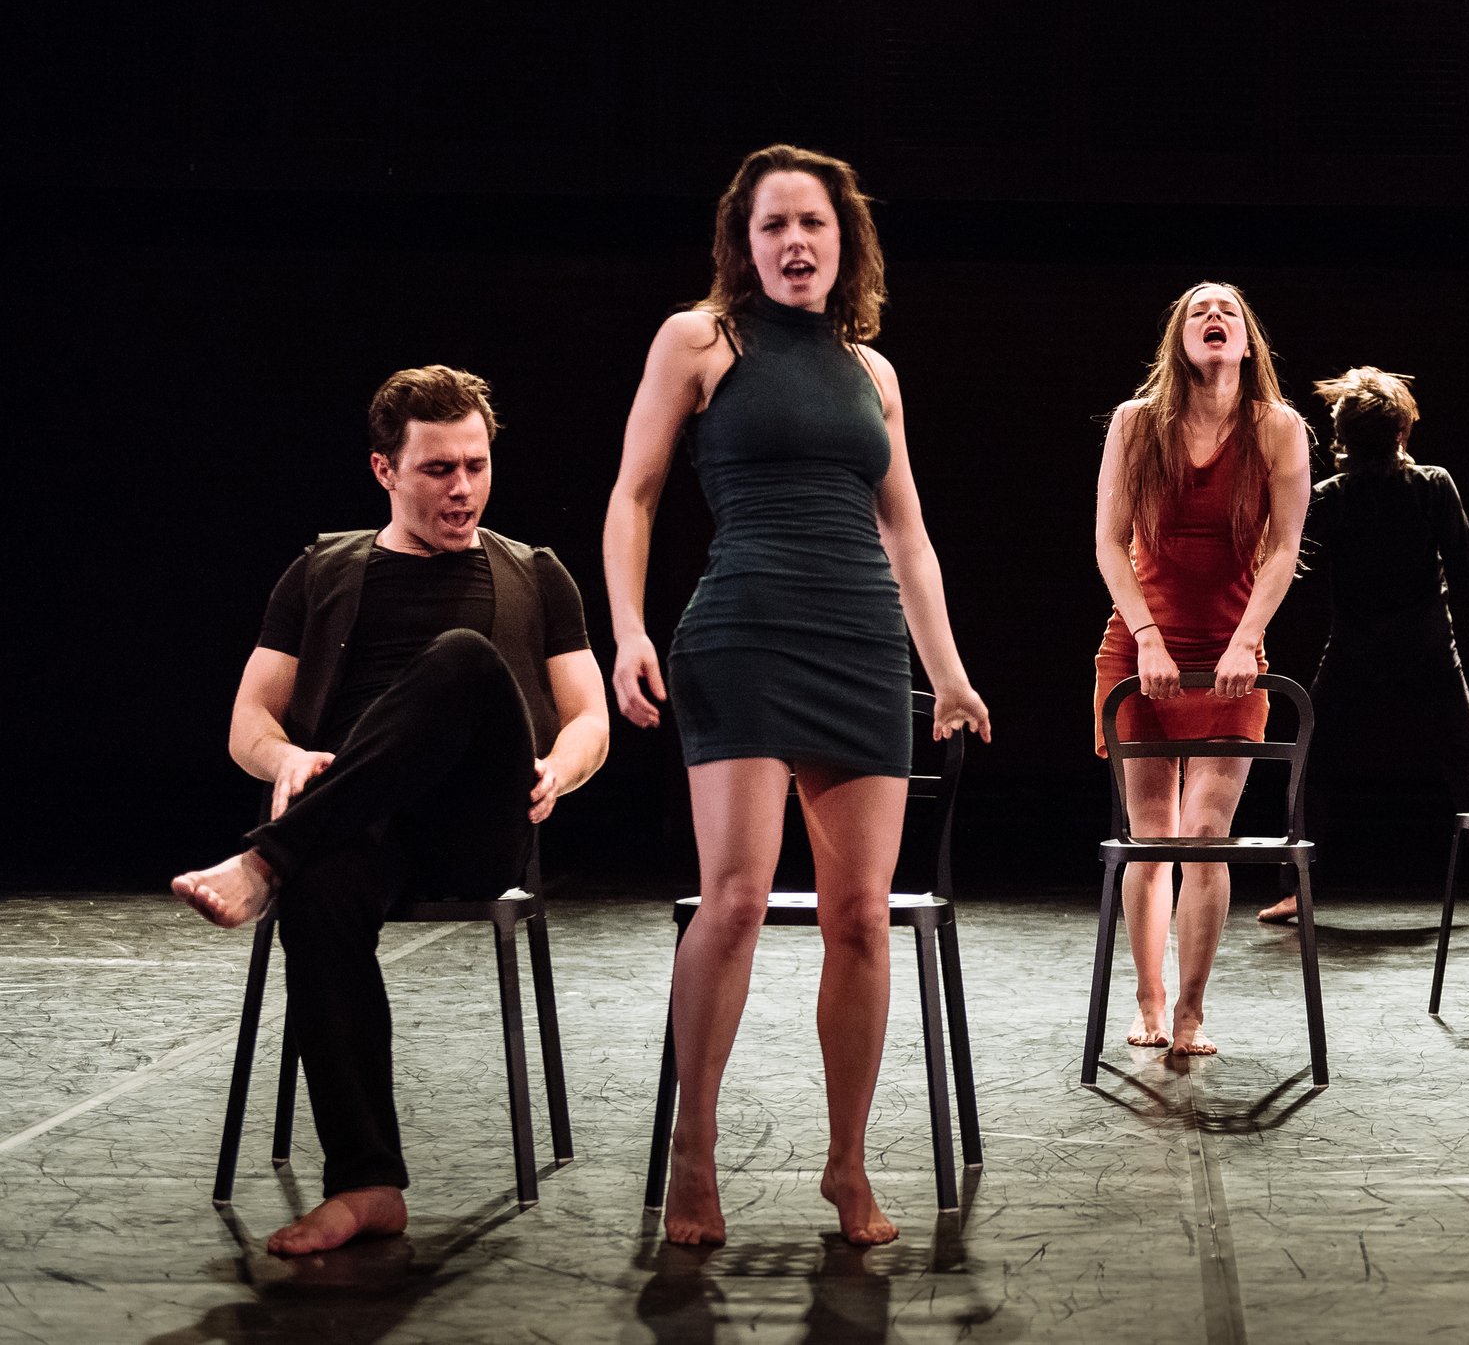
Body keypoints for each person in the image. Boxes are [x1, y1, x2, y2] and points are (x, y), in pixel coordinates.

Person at [605, 144, 989, 1249]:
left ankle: (846, 1164)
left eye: (812, 224)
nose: (794, 243)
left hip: (860, 641)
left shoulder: (874, 372)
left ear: (843, 240)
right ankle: (694, 1149)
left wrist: (948, 671)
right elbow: (632, 496)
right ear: (744, 242)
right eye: (772, 225)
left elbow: (906, 532)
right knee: (731, 901)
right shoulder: (700, 340)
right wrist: (627, 628)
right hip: (741, 633)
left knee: (860, 916)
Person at [171, 366, 610, 1256]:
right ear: (384, 470)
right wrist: (289, 755)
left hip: (476, 819)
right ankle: (367, 1182)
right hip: (355, 823)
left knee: (461, 658)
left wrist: (558, 771)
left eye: (476, 466)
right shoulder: (321, 571)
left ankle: (262, 858)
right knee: (322, 891)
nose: (463, 488)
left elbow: (590, 717)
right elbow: (247, 723)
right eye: (439, 469)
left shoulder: (535, 572)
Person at [1093, 281, 1311, 1058]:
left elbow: (1284, 548)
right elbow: (1109, 543)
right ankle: (1148, 999)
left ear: (1248, 342)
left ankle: (1190, 1010)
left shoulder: (1280, 428)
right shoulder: (1134, 422)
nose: (1214, 317)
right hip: (1141, 651)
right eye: (1197, 310)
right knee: (1152, 837)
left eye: (1229, 312)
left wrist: (1247, 638)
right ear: (1178, 340)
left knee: (1207, 836)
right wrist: (1148, 636)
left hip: (1231, 653)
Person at [1255, 367, 1469, 926]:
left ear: (1342, 439)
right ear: (1402, 432)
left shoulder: (1329, 498)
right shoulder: (1431, 485)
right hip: (1427, 648)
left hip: (1355, 649)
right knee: (1467, 768)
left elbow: (1289, 566)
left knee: (1312, 767)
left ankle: (1295, 890)